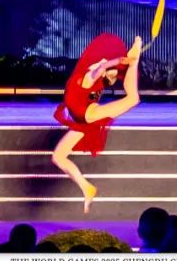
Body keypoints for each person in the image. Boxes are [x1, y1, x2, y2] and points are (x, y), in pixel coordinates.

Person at [52, 33, 143, 213]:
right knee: (58, 157)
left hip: (85, 116)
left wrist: (116, 62)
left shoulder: (89, 77)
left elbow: (100, 69)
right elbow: (101, 69)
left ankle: (135, 58)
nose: (102, 60)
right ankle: (87, 188)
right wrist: (119, 61)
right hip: (82, 119)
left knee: (133, 98)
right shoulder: (90, 78)